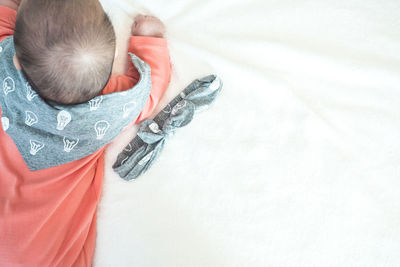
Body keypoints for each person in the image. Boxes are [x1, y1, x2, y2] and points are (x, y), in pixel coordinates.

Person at [0, 0, 171, 266]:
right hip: (41, 257)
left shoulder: (5, 70)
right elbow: (150, 93)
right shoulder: (110, 106)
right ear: (113, 56)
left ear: (18, 61)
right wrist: (150, 39)